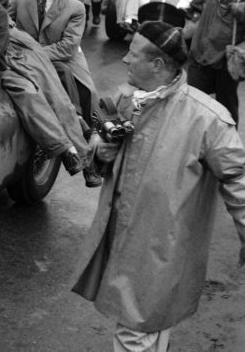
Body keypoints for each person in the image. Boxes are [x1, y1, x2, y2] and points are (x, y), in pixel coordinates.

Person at [72, 21, 245, 352]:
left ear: (158, 64)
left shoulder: (207, 118)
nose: (124, 60)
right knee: (148, 326)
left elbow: (238, 178)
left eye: (133, 54)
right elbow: (98, 136)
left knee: (136, 328)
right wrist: (101, 150)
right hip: (120, 236)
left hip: (160, 249)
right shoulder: (126, 99)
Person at [9, 0, 100, 186]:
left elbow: (68, 47)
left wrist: (34, 54)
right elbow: (6, 24)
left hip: (62, 56)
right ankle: (79, 124)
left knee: (85, 90)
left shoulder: (76, 7)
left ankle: (87, 128)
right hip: (28, 57)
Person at [2, 28, 88, 177]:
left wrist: (37, 54)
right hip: (10, 47)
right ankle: (71, 148)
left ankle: (85, 156)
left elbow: (68, 47)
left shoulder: (75, 7)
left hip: (25, 47)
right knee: (30, 90)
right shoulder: (20, 3)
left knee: (59, 85)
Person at [187, 0, 245, 125]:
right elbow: (192, 17)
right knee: (193, 106)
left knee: (226, 111)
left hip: (225, 64)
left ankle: (228, 148)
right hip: (199, 58)